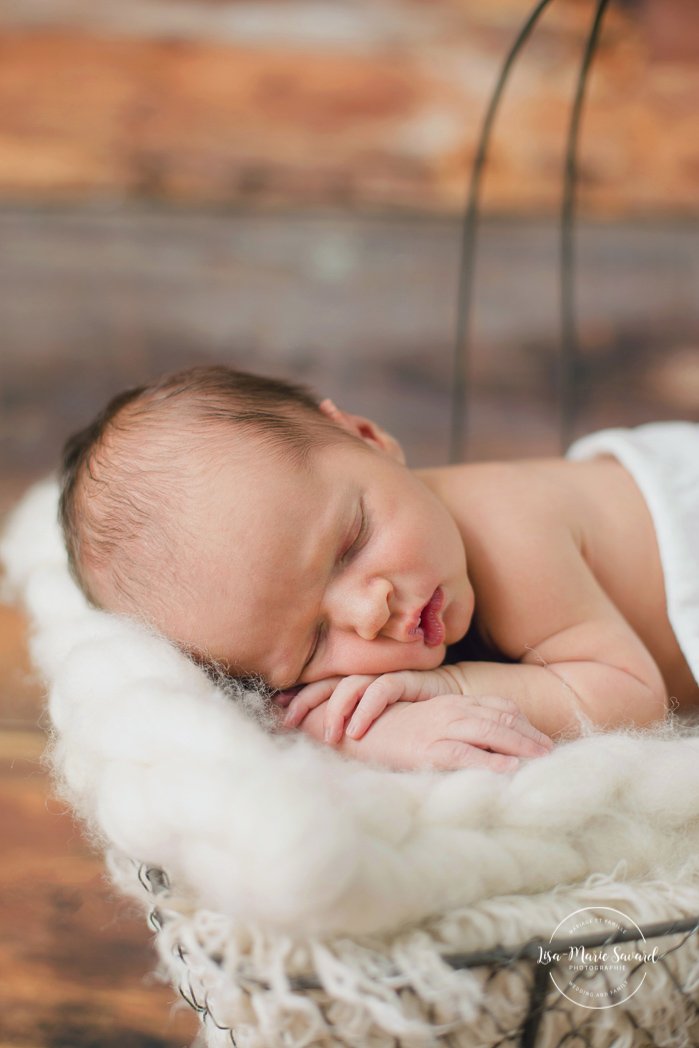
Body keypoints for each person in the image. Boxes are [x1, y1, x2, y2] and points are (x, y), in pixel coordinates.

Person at [59, 365, 692, 772]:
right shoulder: (396, 594)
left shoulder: (506, 530)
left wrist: (452, 691)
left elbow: (632, 700)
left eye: (350, 544)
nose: (369, 611)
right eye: (313, 643)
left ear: (368, 437)